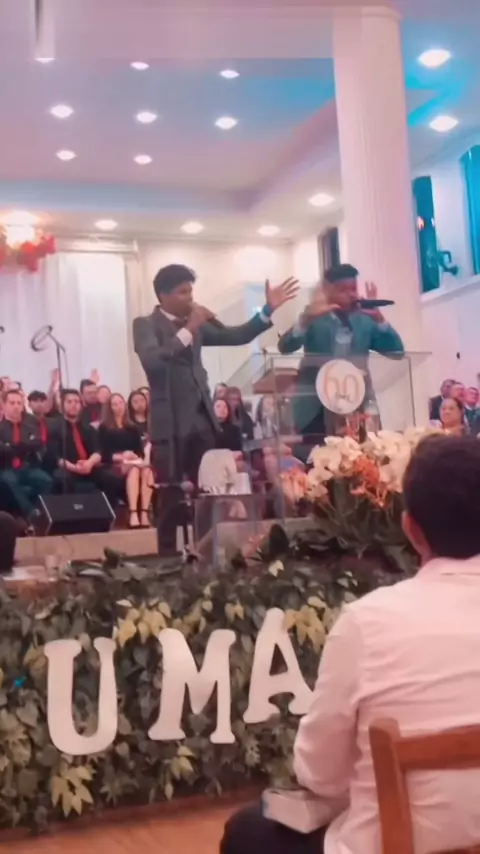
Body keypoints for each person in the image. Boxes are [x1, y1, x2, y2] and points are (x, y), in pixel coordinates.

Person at [221, 434, 480, 854]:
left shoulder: (367, 623)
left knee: (248, 832)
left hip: (395, 845)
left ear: (411, 528)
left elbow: (319, 774)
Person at [133, 263, 298, 552]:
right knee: (171, 496)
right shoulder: (146, 324)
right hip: (170, 422)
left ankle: (206, 553)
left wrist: (266, 310)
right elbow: (153, 361)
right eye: (182, 292)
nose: (190, 297)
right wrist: (189, 329)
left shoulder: (196, 324)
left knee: (209, 492)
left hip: (202, 420)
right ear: (163, 295)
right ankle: (168, 559)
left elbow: (237, 336)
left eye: (191, 291)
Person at [278, 264, 404, 444]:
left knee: (363, 455)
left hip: (357, 405)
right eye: (343, 290)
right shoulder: (314, 317)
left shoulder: (365, 320)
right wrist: (304, 321)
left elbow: (397, 352)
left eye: (353, 289)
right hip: (315, 408)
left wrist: (380, 320)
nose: (351, 294)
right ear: (327, 290)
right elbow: (285, 347)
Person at [49, 389, 121, 508]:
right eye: (69, 402)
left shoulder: (88, 428)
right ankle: (72, 512)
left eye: (76, 402)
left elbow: (97, 452)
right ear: (62, 405)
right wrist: (74, 467)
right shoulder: (55, 428)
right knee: (63, 479)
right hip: (69, 467)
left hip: (88, 466)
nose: (73, 405)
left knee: (110, 478)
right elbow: (56, 457)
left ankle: (108, 513)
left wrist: (89, 464)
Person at [98, 393, 153, 528]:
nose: (119, 407)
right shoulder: (104, 428)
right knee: (134, 471)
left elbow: (139, 452)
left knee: (147, 471)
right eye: (115, 404)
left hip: (133, 462)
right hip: (114, 464)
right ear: (109, 408)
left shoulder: (133, 428)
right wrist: (121, 456)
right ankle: (133, 513)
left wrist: (133, 455)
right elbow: (103, 453)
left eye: (121, 403)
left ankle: (144, 513)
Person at [0, 389, 52, 521]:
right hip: (6, 467)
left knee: (46, 480)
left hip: (27, 467)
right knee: (9, 480)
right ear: (4, 405)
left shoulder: (31, 427)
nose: (16, 406)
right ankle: (30, 513)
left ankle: (40, 512)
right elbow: (3, 450)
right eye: (12, 403)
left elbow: (37, 443)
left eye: (19, 403)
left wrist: (13, 446)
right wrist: (22, 446)